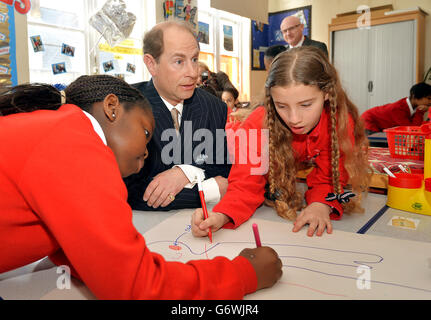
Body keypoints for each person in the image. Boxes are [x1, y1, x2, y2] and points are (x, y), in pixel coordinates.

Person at [0, 75, 283, 299]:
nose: (148, 153)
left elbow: (93, 260)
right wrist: (243, 274)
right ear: (112, 108)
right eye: (146, 134)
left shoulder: (55, 129)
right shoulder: (74, 142)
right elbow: (137, 287)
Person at [192, 46, 371, 239]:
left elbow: (329, 177)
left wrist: (320, 205)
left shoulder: (339, 122)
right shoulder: (257, 124)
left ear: (327, 94)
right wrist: (222, 214)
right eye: (282, 106)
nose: (294, 118)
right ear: (271, 100)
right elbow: (246, 182)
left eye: (306, 105)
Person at [127, 21, 231, 210]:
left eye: (194, 59)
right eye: (179, 62)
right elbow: (131, 190)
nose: (193, 73)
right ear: (152, 64)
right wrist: (209, 191)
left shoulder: (214, 106)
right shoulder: (128, 107)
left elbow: (223, 168)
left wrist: (185, 172)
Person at [360, 82, 431, 135]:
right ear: (414, 96)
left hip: (378, 124)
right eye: (428, 98)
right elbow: (411, 130)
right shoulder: (398, 109)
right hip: (369, 121)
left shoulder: (412, 106)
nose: (430, 102)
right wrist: (420, 112)